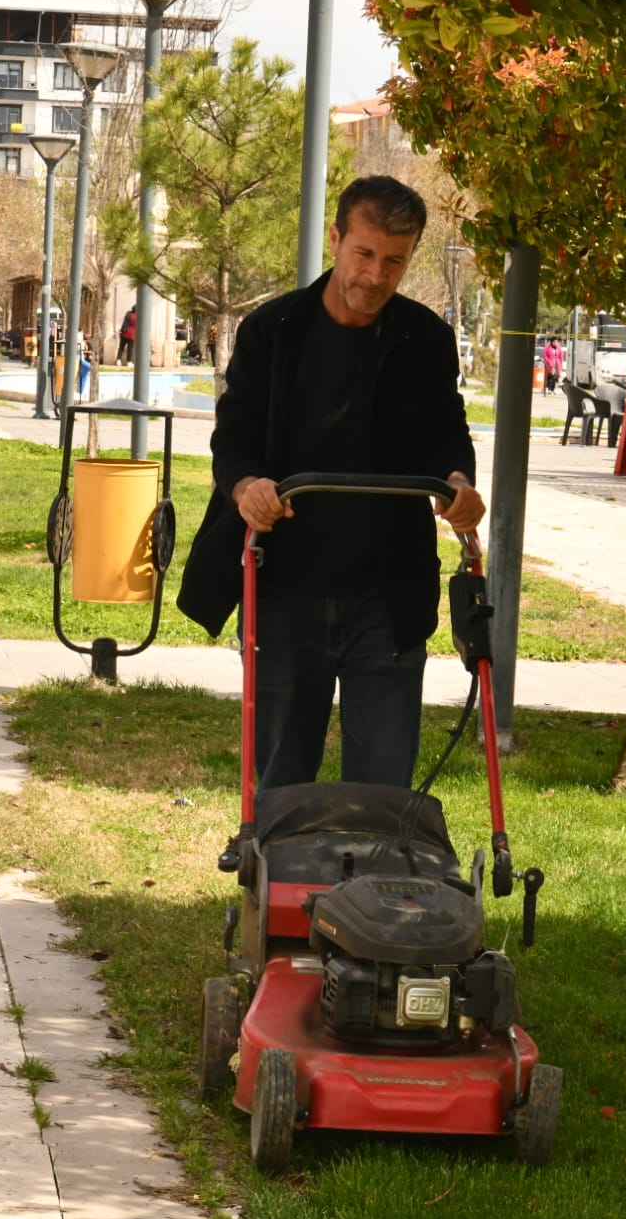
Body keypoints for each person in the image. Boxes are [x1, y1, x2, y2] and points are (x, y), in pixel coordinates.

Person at [177, 174, 483, 790]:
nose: (375, 275)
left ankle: (369, 885)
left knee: (382, 786)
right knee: (283, 778)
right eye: (364, 255)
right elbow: (231, 438)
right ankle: (277, 883)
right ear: (336, 239)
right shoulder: (273, 331)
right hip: (286, 588)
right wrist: (247, 490)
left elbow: (447, 432)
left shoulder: (426, 340)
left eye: (394, 263)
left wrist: (458, 482)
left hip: (388, 597)